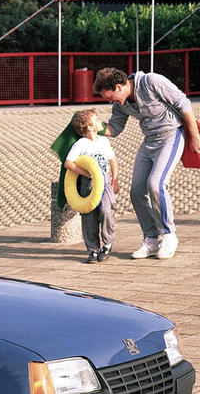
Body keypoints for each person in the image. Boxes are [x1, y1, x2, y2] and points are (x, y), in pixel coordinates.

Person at [94, 67, 200, 259]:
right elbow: (115, 128)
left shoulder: (151, 82)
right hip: (149, 141)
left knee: (156, 185)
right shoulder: (121, 103)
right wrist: (90, 126)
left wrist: (194, 136)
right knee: (137, 190)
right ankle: (151, 239)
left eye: (109, 97)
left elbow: (183, 102)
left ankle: (169, 235)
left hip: (172, 136)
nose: (110, 101)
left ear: (118, 87)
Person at [64, 108, 119, 263]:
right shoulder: (80, 145)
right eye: (96, 120)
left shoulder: (103, 141)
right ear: (89, 127)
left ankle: (107, 244)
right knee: (89, 218)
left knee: (106, 212)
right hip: (88, 184)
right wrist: (86, 173)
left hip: (105, 182)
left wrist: (115, 180)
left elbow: (112, 160)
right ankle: (93, 249)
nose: (100, 122)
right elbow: (68, 163)